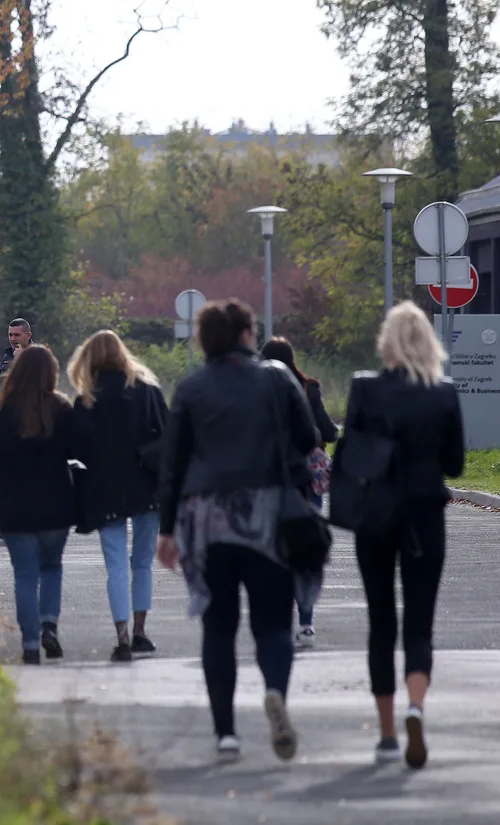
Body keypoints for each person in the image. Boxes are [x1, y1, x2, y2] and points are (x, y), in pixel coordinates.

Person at [156, 299, 318, 764]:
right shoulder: (276, 377)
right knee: (272, 623)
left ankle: (226, 733)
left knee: (219, 626)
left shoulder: (191, 387)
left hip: (208, 521)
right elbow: (308, 440)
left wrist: (167, 530)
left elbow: (174, 464)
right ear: (248, 334)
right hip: (268, 514)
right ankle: (274, 692)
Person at [343, 301, 464, 768]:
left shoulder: (363, 388)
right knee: (419, 622)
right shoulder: (442, 393)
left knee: (380, 622)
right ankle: (417, 706)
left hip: (375, 515)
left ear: (387, 341)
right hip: (424, 516)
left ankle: (388, 732)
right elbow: (454, 463)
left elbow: (350, 453)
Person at [0, 346, 79, 664]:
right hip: (57, 504)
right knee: (52, 568)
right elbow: (80, 451)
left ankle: (29, 643)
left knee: (25, 575)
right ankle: (49, 627)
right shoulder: (61, 408)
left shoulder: (2, 411)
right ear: (51, 373)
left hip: (15, 506)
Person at [68, 330, 168, 663]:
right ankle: (141, 632)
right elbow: (169, 436)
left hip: (105, 489)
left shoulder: (87, 399)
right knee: (142, 563)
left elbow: (75, 447)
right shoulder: (149, 391)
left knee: (115, 566)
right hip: (146, 487)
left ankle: (122, 637)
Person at [260, 336, 340, 651]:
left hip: (268, 479)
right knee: (305, 550)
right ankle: (306, 624)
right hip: (307, 480)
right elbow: (328, 432)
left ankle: (278, 621)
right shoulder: (309, 388)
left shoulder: (258, 391)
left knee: (272, 551)